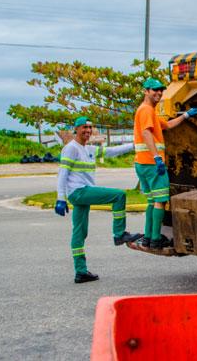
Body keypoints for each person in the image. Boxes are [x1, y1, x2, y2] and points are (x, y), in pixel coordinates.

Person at [55, 116, 141, 283]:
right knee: (119, 195)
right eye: (84, 128)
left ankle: (80, 271)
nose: (87, 131)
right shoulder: (71, 148)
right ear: (76, 129)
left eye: (90, 128)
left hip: (82, 194)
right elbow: (62, 174)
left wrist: (133, 146)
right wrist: (60, 198)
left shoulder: (89, 149)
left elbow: (111, 151)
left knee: (79, 232)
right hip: (79, 192)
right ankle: (119, 234)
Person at [134, 78, 197, 249]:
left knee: (151, 200)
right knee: (161, 200)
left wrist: (186, 115)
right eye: (155, 90)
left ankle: (148, 237)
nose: (159, 93)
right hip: (151, 164)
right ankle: (156, 238)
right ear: (146, 91)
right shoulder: (146, 110)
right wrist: (157, 158)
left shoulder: (148, 111)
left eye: (161, 90)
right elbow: (147, 133)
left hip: (143, 163)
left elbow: (168, 125)